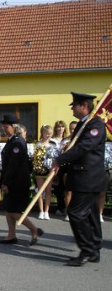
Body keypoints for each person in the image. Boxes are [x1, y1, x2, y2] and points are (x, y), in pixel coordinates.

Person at [52, 92, 106, 266]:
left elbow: (84, 147)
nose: (72, 109)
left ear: (84, 106)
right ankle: (94, 249)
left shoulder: (95, 124)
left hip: (88, 177)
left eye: (74, 106)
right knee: (90, 214)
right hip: (83, 176)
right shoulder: (83, 125)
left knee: (75, 213)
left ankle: (86, 250)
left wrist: (60, 159)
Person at [0, 114, 43, 245]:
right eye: (4, 126)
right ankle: (11, 235)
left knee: (14, 211)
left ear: (13, 127)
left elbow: (13, 165)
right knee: (8, 209)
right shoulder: (13, 140)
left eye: (6, 126)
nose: (4, 129)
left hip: (16, 182)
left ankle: (34, 230)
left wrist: (6, 182)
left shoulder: (17, 141)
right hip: (14, 180)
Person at [33, 125, 58, 220]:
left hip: (49, 170)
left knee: (48, 191)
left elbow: (56, 157)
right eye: (46, 133)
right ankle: (41, 211)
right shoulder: (38, 145)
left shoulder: (53, 145)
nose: (48, 135)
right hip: (39, 170)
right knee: (40, 191)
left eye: (50, 134)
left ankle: (46, 211)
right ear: (42, 133)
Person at [51, 120, 68, 217]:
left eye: (62, 127)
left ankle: (66, 207)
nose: (60, 129)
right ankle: (60, 206)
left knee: (67, 188)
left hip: (65, 165)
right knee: (58, 187)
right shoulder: (52, 140)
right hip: (55, 165)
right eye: (58, 127)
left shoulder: (67, 140)